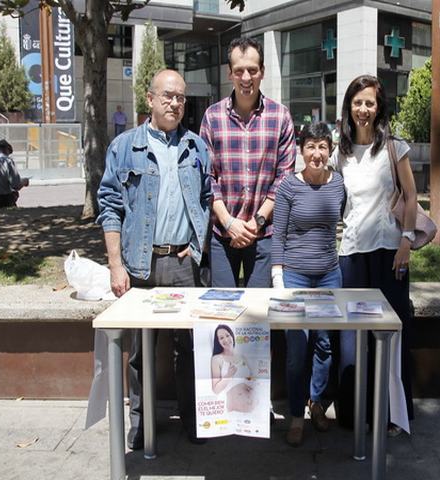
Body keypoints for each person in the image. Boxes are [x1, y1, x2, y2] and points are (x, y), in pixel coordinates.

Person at [97, 69, 212, 448]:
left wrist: (196, 247)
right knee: (140, 353)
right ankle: (141, 422)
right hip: (140, 266)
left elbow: (208, 200)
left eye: (180, 97)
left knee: (189, 348)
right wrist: (116, 264)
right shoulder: (124, 146)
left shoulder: (196, 147)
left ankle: (193, 421)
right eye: (167, 96)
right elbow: (110, 207)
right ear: (150, 99)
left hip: (183, 265)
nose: (175, 103)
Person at [331, 74, 416, 436]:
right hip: (351, 254)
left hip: (389, 254)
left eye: (370, 103)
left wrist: (407, 242)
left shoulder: (394, 147)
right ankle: (356, 414)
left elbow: (411, 196)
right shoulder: (340, 152)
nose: (363, 109)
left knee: (392, 338)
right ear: (348, 107)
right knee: (353, 340)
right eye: (357, 102)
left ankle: (395, 415)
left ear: (379, 108)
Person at [199, 36, 296, 288]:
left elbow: (284, 178)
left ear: (262, 72)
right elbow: (207, 177)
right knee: (223, 311)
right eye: (239, 71)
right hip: (222, 233)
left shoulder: (281, 116)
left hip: (263, 233)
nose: (246, 78)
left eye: (252, 70)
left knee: (259, 316)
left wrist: (257, 222)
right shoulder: (212, 117)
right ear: (229, 73)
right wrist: (229, 222)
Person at [271, 122, 345, 446]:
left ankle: (316, 402)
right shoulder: (289, 187)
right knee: (297, 350)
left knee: (325, 344)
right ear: (301, 151)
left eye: (323, 146)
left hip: (330, 274)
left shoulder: (339, 184)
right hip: (295, 277)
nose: (317, 153)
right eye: (311, 146)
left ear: (330, 150)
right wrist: (278, 278)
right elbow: (278, 235)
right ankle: (296, 416)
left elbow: (343, 222)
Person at [210, 324, 255, 413]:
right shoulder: (217, 359)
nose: (226, 339)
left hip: (251, 404)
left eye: (227, 335)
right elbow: (216, 390)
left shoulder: (242, 356)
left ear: (232, 336)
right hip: (231, 408)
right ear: (218, 341)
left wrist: (251, 384)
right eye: (221, 338)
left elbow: (252, 377)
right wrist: (229, 375)